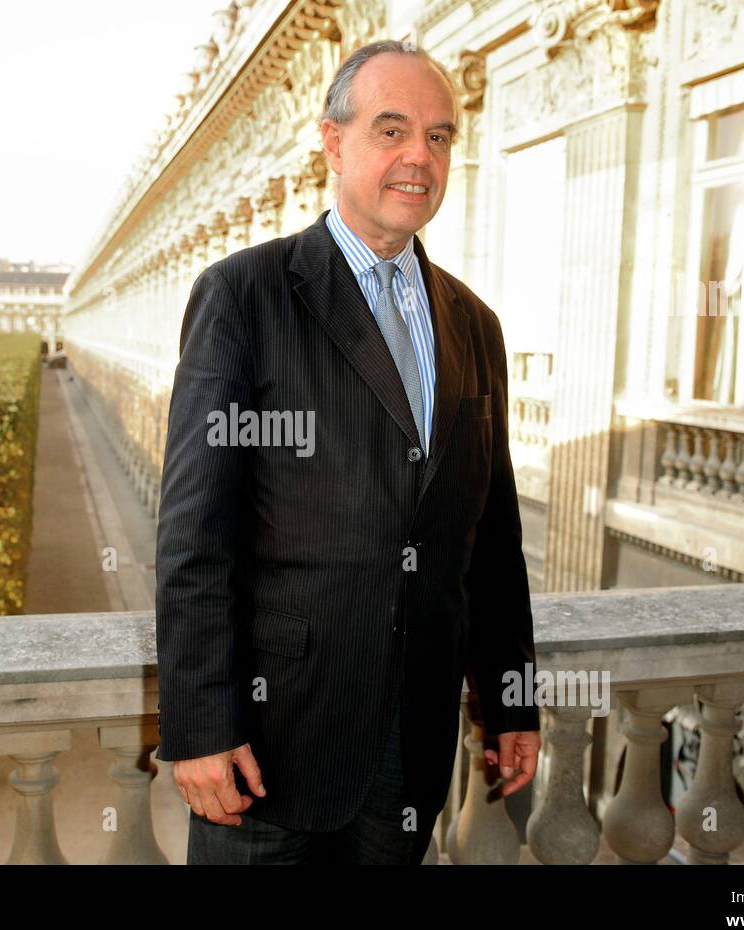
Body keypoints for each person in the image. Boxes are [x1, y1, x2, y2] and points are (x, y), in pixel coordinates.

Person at [154, 39, 541, 865]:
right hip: (265, 752)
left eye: (438, 137)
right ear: (334, 143)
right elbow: (194, 535)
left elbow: (492, 538)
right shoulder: (243, 295)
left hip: (411, 747)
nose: (418, 157)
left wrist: (511, 698)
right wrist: (200, 725)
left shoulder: (474, 325)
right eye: (392, 129)